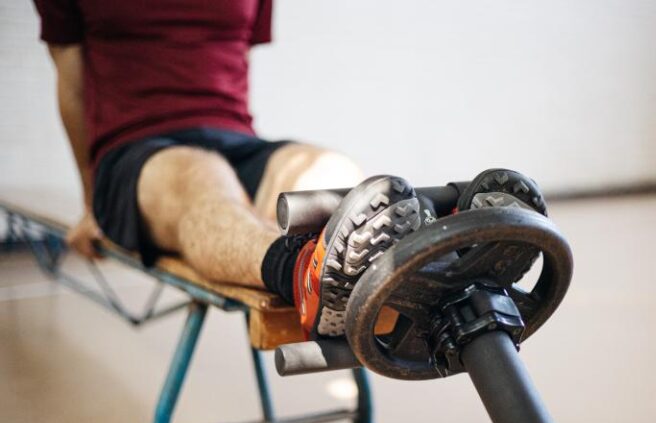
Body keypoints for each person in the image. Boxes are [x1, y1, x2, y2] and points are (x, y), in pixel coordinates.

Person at [33, 0, 548, 340]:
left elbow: (224, 61)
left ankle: (444, 260)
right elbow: (71, 82)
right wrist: (88, 199)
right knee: (200, 180)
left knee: (334, 172)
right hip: (135, 151)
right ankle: (301, 274)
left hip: (238, 140)